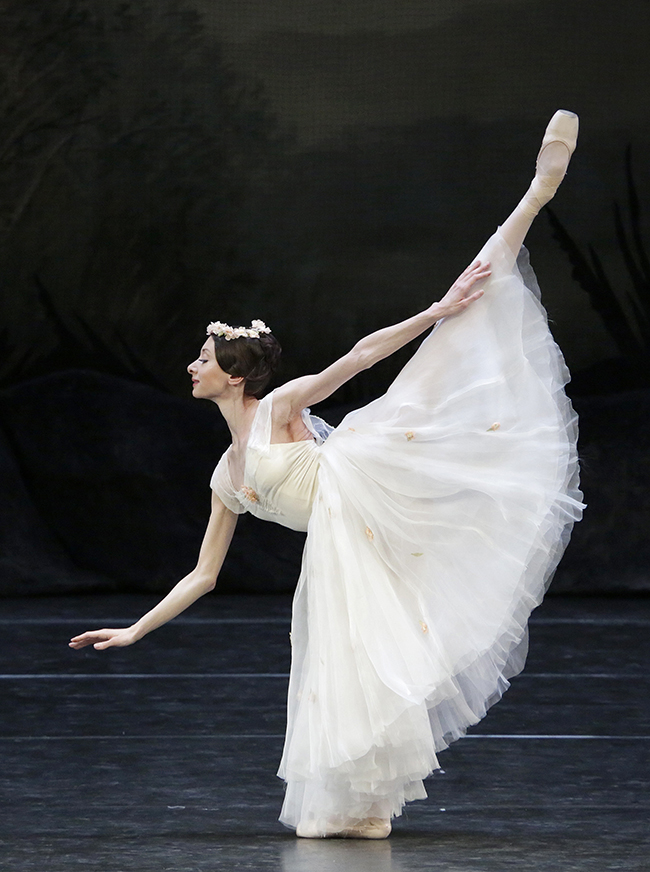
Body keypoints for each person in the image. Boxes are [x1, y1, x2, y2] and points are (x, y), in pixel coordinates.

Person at [70, 111, 584, 839]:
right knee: (345, 667)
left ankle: (533, 197)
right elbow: (204, 574)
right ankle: (367, 805)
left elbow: (358, 358)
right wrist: (135, 629)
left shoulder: (278, 406)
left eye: (204, 361)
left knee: (446, 361)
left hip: (366, 485)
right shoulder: (225, 475)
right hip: (347, 547)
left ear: (233, 375)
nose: (192, 367)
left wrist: (436, 309)